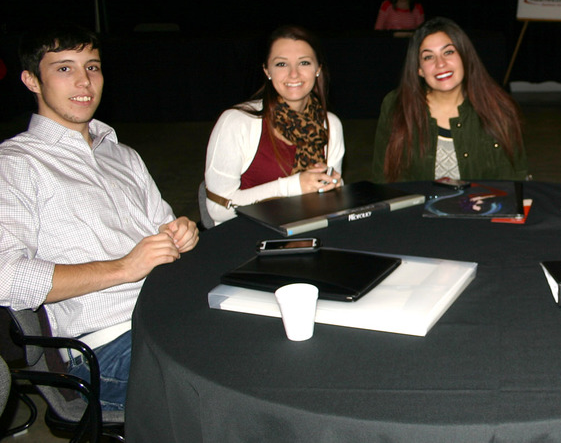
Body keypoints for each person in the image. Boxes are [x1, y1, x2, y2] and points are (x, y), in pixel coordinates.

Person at [0, 23, 199, 410]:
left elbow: (163, 228)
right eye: (63, 68)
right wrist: (124, 268)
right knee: (238, 384)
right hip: (105, 346)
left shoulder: (121, 154)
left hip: (171, 317)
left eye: (92, 67)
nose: (83, 82)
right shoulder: (16, 164)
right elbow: (5, 276)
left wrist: (180, 234)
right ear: (31, 80)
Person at [204, 25, 344, 226]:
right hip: (246, 238)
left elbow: (328, 207)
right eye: (281, 64)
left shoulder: (330, 125)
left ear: (318, 69)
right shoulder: (237, 122)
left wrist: (335, 189)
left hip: (306, 234)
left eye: (304, 62)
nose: (293, 74)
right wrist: (292, 187)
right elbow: (218, 210)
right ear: (266, 70)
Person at [372, 17, 528, 182]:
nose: (441, 64)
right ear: (419, 69)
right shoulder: (397, 105)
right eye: (428, 57)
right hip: (418, 208)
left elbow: (516, 179)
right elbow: (383, 177)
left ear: (464, 56)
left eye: (448, 52)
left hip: (487, 207)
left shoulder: (499, 107)